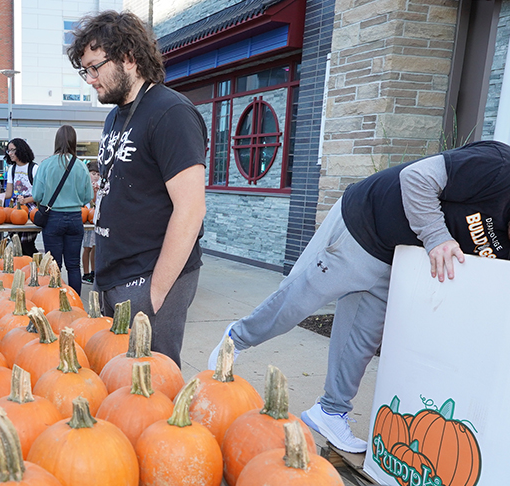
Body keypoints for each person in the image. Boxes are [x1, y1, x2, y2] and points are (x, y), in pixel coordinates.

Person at [209, 140, 510, 454]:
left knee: (361, 340)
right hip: (365, 222)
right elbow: (416, 178)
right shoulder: (499, 167)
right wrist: (437, 237)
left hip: (397, 257)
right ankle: (236, 339)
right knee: (298, 303)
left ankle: (330, 411)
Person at [68, 10, 207, 368]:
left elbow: (191, 209)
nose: (90, 79)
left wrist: (156, 293)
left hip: (151, 275)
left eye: (95, 67)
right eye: (85, 70)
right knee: (115, 377)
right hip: (114, 273)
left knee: (150, 383)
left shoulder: (171, 112)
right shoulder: (116, 115)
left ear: (128, 57)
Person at [33, 125, 93, 293]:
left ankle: (56, 303)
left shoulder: (46, 165)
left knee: (54, 265)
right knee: (74, 266)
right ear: (74, 141)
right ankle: (75, 305)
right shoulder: (80, 166)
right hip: (75, 217)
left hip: (53, 218)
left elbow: (37, 194)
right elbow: (88, 196)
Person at [4, 137, 39, 256]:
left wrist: (26, 200)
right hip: (16, 208)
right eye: (8, 151)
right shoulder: (11, 170)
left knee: (27, 244)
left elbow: (40, 194)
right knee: (16, 243)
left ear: (21, 150)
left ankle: (37, 265)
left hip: (31, 209)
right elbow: (8, 194)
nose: (10, 153)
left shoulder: (34, 168)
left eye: (13, 150)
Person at [82, 165, 100, 284]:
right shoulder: (84, 184)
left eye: (98, 174)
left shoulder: (99, 186)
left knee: (95, 246)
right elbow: (89, 200)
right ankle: (86, 273)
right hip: (87, 217)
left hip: (95, 217)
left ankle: (94, 271)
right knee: (87, 247)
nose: (96, 176)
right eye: (93, 173)